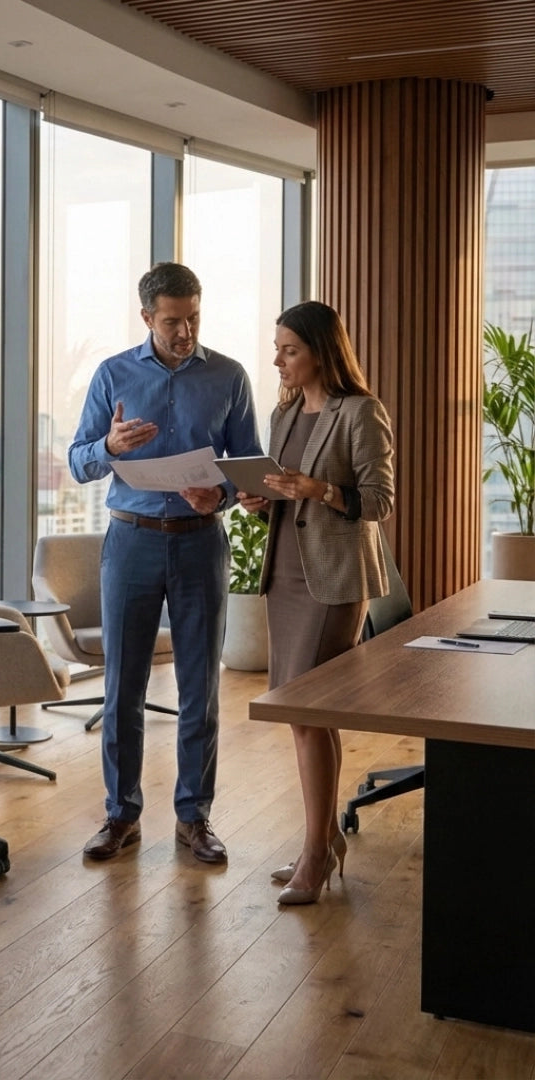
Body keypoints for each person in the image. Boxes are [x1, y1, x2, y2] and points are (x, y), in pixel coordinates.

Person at [69, 262, 262, 863]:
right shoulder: (112, 374)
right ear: (147, 317)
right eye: (173, 321)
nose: (185, 332)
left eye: (194, 318)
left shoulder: (229, 375)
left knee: (200, 687)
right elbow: (78, 461)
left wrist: (224, 494)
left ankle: (194, 818)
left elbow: (249, 465)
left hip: (201, 541)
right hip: (131, 541)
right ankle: (120, 815)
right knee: (123, 685)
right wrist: (110, 446)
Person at [237, 300, 394, 904]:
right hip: (286, 575)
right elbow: (283, 490)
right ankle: (323, 840)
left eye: (289, 350)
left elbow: (378, 501)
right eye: (277, 348)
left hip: (333, 581)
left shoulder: (361, 412)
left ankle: (315, 853)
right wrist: (263, 498)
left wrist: (320, 489)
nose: (277, 359)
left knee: (308, 711)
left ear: (321, 352)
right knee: (304, 714)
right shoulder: (282, 414)